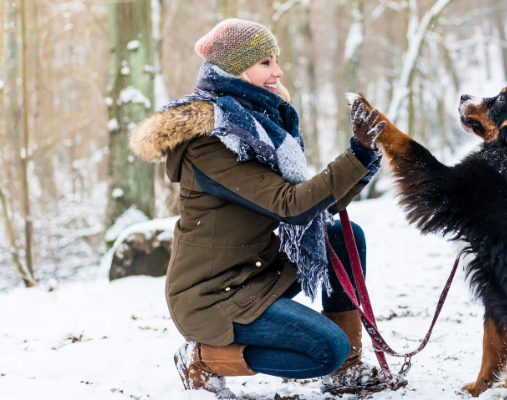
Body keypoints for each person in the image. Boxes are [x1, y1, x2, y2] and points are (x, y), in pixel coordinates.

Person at [129, 18, 395, 397]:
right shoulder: (212, 141)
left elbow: (316, 205)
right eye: (266, 62)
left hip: (258, 270)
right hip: (214, 296)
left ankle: (346, 371)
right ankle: (201, 358)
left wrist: (364, 157)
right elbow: (291, 206)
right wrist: (354, 155)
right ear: (236, 70)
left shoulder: (258, 126)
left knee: (343, 235)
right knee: (326, 349)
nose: (278, 71)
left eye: (276, 60)